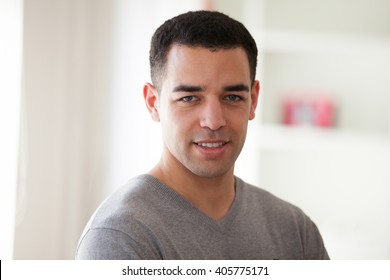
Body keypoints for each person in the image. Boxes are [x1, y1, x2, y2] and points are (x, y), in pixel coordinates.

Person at [76, 10, 329, 260]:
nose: (214, 121)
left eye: (232, 97)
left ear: (253, 101)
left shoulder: (295, 231)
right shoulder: (121, 237)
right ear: (153, 103)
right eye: (189, 98)